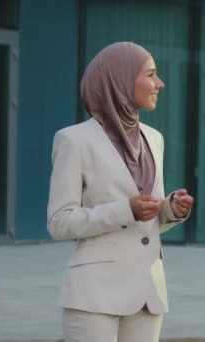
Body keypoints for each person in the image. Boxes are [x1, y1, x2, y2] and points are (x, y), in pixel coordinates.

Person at [47, 42, 194, 342]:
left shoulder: (154, 139)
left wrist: (170, 210)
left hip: (148, 293)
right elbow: (59, 222)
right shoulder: (74, 141)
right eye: (151, 74)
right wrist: (126, 210)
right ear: (121, 81)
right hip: (94, 294)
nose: (160, 83)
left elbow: (147, 217)